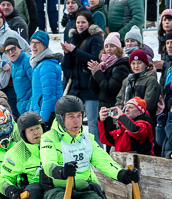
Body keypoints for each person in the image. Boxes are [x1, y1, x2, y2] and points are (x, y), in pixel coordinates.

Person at [40, 96, 150, 199]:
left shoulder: (86, 138)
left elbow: (103, 160)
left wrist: (121, 174)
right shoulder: (49, 137)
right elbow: (48, 163)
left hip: (82, 188)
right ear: (61, 118)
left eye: (79, 116)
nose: (77, 121)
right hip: (55, 189)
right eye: (71, 117)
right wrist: (60, 171)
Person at [0, 111, 49, 199]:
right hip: (31, 198)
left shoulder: (53, 144)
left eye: (38, 128)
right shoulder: (17, 153)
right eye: (30, 130)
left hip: (54, 190)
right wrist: (10, 190)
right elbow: (2, 179)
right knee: (34, 189)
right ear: (23, 134)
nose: (36, 133)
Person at [61, 10, 104, 141]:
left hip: (91, 88)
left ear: (89, 23)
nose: (80, 25)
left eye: (83, 22)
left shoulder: (95, 38)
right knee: (72, 122)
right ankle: (74, 147)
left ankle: (96, 150)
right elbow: (66, 66)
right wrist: (68, 54)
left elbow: (95, 59)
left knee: (92, 122)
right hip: (76, 87)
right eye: (78, 22)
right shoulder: (73, 38)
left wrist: (75, 51)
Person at [29, 30, 63, 128]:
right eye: (32, 43)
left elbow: (49, 96)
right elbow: (35, 95)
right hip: (39, 113)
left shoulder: (47, 66)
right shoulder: (39, 64)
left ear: (44, 45)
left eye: (37, 43)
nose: (34, 46)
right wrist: (31, 114)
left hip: (48, 115)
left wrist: (42, 120)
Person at [88, 32, 131, 110]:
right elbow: (95, 90)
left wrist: (98, 73)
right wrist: (94, 75)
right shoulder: (104, 65)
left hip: (114, 108)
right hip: (104, 107)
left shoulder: (122, 66)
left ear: (118, 48)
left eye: (112, 46)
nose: (109, 49)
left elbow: (110, 89)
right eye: (106, 46)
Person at [115, 49, 162, 118]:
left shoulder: (151, 80)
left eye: (139, 63)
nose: (136, 66)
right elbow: (120, 99)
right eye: (133, 63)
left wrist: (133, 115)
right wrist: (118, 116)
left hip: (142, 120)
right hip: (124, 119)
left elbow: (149, 103)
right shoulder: (127, 80)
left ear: (146, 64)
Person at [4, 37, 33, 118]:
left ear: (19, 48)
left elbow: (36, 87)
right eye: (7, 51)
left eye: (13, 49)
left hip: (30, 108)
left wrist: (30, 107)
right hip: (22, 107)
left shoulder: (27, 61)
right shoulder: (13, 66)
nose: (11, 52)